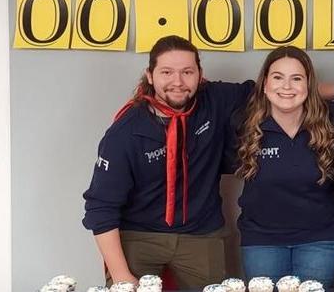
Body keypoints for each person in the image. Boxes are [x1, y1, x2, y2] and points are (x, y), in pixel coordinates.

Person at [82, 35, 255, 288]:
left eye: (187, 72)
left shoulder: (214, 99)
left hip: (201, 232)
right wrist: (120, 275)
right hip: (139, 234)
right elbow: (100, 208)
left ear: (199, 74)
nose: (178, 82)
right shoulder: (125, 132)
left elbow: (276, 90)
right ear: (150, 75)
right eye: (167, 72)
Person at [234, 46, 334, 286]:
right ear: (265, 84)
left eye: (296, 78)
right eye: (278, 77)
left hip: (322, 240)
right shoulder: (244, 125)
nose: (286, 87)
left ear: (309, 85)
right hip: (261, 241)